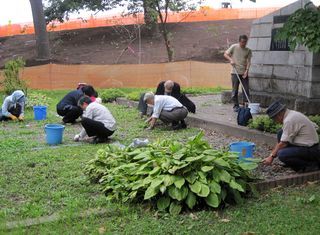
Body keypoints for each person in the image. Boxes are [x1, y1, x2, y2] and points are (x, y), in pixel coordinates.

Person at [263, 101, 320, 172]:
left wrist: (271, 156)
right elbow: (316, 126)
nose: (275, 121)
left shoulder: (289, 120)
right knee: (280, 133)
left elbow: (283, 143)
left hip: (311, 149)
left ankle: (310, 165)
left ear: (278, 115)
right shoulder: (292, 114)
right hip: (308, 146)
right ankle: (293, 162)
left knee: (282, 154)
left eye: (274, 119)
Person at [224, 35, 252, 112]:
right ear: (239, 41)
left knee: (246, 90)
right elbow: (225, 54)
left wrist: (246, 71)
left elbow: (249, 61)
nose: (244, 43)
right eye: (242, 42)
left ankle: (245, 105)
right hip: (235, 72)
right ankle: (236, 106)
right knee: (235, 90)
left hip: (244, 73)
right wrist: (231, 60)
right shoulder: (234, 47)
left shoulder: (248, 50)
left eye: (245, 42)